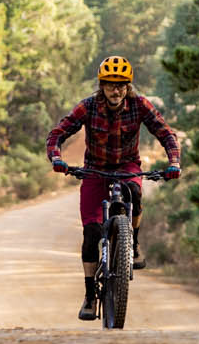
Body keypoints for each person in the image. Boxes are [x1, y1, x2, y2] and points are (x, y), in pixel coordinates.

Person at [45, 55, 181, 321]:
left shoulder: (139, 105)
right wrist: (57, 158)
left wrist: (174, 161)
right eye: (110, 84)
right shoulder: (88, 107)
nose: (115, 90)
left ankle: (134, 244)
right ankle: (89, 296)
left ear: (128, 86)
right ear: (102, 85)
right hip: (94, 170)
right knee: (91, 233)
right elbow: (57, 133)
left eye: (121, 85)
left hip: (127, 165)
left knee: (136, 193)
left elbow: (165, 133)